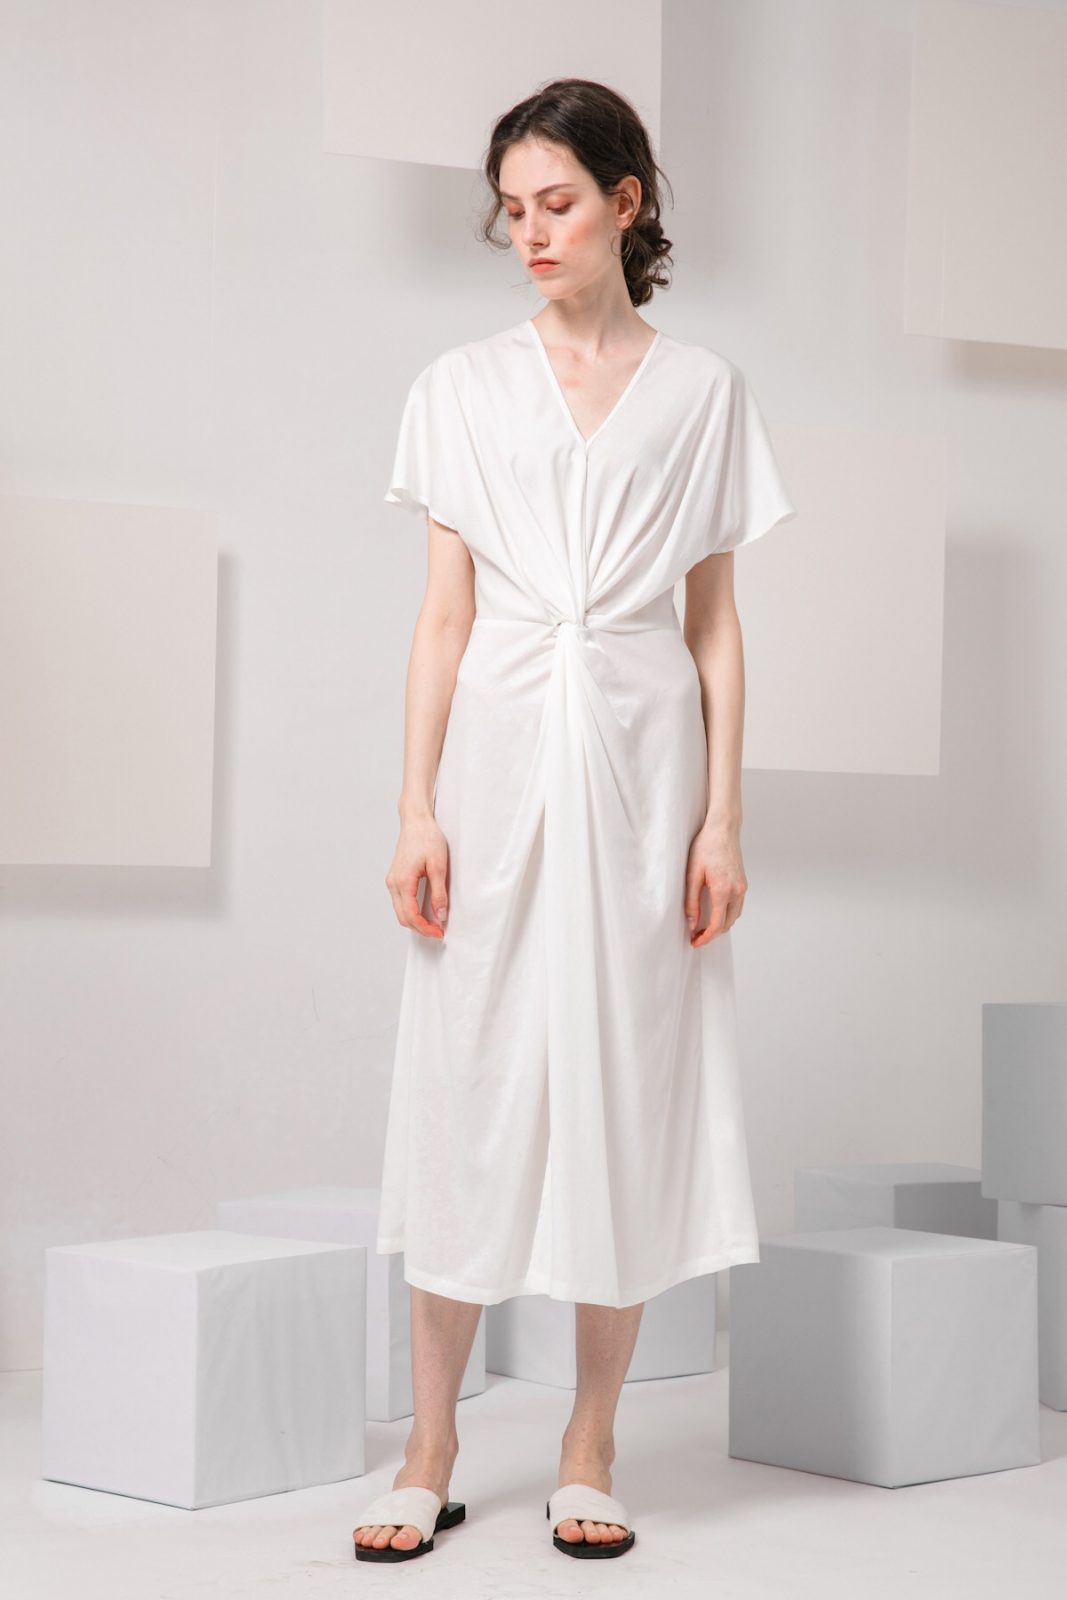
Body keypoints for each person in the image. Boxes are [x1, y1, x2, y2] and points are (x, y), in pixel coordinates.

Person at [353, 77, 797, 1563]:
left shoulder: (705, 391)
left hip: (642, 755)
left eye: (557, 203)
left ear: (627, 200)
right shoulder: (460, 387)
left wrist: (723, 820)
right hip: (493, 758)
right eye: (512, 211)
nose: (531, 235)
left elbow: (716, 625)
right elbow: (440, 618)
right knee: (467, 1082)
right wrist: (414, 808)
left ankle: (590, 1442)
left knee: (628, 1076)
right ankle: (429, 1446)